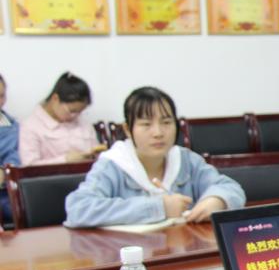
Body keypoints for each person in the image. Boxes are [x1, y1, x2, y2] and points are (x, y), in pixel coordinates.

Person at [65, 86, 245, 228]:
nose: (158, 133)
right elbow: (78, 209)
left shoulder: (186, 160)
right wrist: (159, 207)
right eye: (146, 124)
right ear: (127, 129)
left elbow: (231, 188)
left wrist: (217, 200)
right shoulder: (113, 164)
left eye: (166, 122)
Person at [18, 72, 102, 165]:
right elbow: (29, 165)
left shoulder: (83, 123)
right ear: (55, 99)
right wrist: (65, 160)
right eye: (72, 111)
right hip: (55, 174)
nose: (76, 116)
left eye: (80, 112)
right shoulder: (31, 126)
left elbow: (98, 156)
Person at [0, 73, 20, 224]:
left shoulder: (14, 128)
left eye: (2, 96)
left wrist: (6, 172)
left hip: (9, 192)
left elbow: (18, 160)